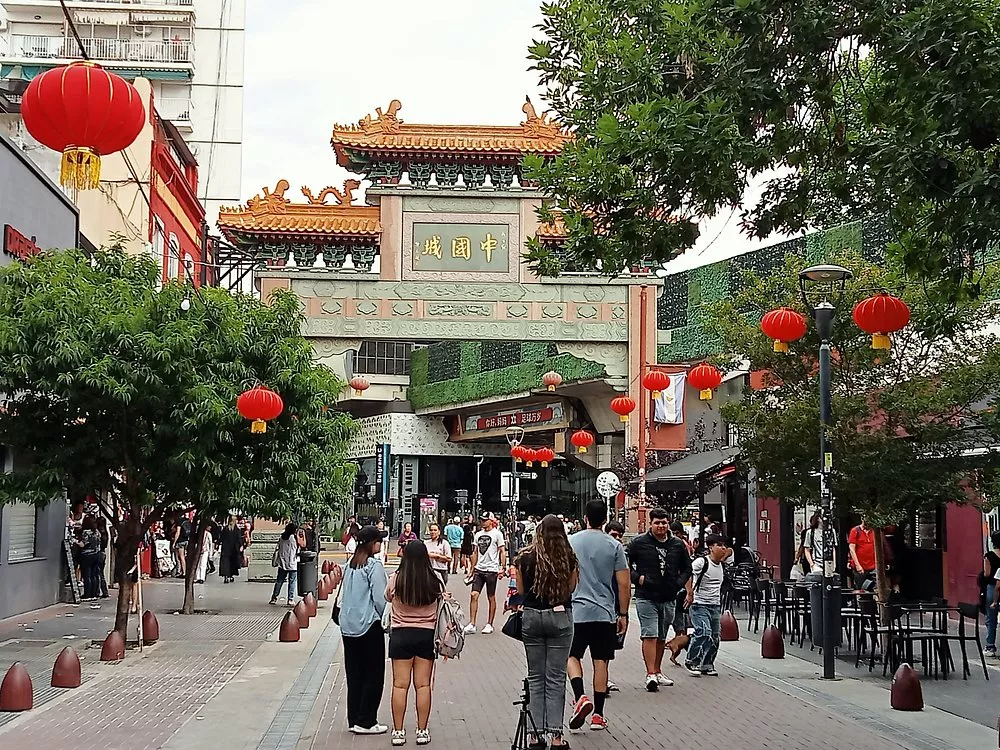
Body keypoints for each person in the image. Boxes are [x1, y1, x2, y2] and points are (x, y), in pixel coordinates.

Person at [514, 515, 578, 748]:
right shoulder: (568, 557)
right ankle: (557, 736)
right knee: (556, 677)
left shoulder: (524, 558)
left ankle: (534, 734)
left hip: (532, 617)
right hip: (560, 617)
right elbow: (571, 588)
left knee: (536, 676)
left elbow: (521, 590)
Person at [567, 501, 630, 731]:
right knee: (600, 661)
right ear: (605, 519)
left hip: (577, 610)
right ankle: (599, 715)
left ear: (585, 518)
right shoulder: (614, 545)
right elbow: (624, 584)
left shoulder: (572, 541)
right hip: (604, 612)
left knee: (572, 656)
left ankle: (580, 696)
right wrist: (622, 613)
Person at [386, 540, 446, 746]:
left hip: (400, 635)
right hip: (425, 636)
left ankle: (398, 732)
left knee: (399, 685)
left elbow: (387, 597)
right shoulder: (434, 579)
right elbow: (442, 601)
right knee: (423, 685)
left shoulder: (396, 578)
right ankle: (422, 730)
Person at [627, 507, 692, 691]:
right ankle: (650, 674)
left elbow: (687, 568)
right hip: (646, 596)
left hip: (669, 597)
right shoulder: (639, 543)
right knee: (650, 634)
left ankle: (657, 670)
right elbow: (624, 561)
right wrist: (638, 578)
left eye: (664, 522)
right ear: (651, 523)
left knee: (662, 636)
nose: (661, 526)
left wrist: (679, 584)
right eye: (657, 522)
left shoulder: (677, 544)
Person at [341, 525, 389, 735]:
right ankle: (367, 720)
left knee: (355, 674)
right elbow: (380, 598)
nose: (381, 544)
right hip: (369, 625)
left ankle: (354, 719)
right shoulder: (373, 566)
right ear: (372, 543)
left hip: (348, 626)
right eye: (379, 540)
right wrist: (387, 621)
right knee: (374, 674)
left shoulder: (350, 565)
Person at [685, 534, 729, 677]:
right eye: (719, 545)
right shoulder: (701, 562)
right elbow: (688, 575)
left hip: (715, 605)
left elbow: (731, 552)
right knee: (704, 632)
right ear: (711, 547)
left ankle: (707, 664)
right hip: (699, 604)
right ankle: (692, 660)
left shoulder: (721, 564)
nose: (723, 548)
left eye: (724, 545)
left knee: (715, 636)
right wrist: (689, 593)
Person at [464, 513, 506, 634]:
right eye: (482, 520)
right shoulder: (478, 534)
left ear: (491, 521)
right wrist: (472, 569)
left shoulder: (497, 534)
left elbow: (502, 551)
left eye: (485, 520)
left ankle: (490, 623)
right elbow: (475, 552)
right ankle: (472, 623)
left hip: (492, 569)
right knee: (473, 595)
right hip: (479, 569)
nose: (482, 522)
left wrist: (502, 567)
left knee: (491, 596)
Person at [270, 523, 304, 606]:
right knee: (292, 582)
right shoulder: (294, 538)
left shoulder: (282, 537)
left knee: (279, 581)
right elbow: (303, 544)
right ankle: (290, 599)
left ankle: (274, 598)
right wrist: (301, 535)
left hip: (282, 563)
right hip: (292, 563)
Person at [803, 512, 835, 578]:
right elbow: (807, 549)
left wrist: (834, 564)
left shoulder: (832, 531)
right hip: (817, 564)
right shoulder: (810, 532)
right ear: (818, 519)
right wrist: (812, 564)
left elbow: (833, 549)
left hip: (829, 564)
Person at [984, 531, 1000, 657]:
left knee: (991, 618)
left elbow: (987, 574)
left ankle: (990, 646)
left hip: (992, 586)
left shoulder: (989, 556)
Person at [848, 519, 877, 590]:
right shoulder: (855, 530)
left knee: (873, 586)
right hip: (860, 566)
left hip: (873, 566)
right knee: (861, 588)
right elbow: (852, 549)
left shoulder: (874, 531)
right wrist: (858, 565)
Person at [219, 516, 244, 584]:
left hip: (225, 548)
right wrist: (241, 545)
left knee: (225, 562)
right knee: (232, 562)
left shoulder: (225, 529)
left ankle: (226, 576)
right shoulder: (236, 529)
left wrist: (218, 544)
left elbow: (221, 538)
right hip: (234, 549)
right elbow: (239, 539)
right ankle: (231, 575)